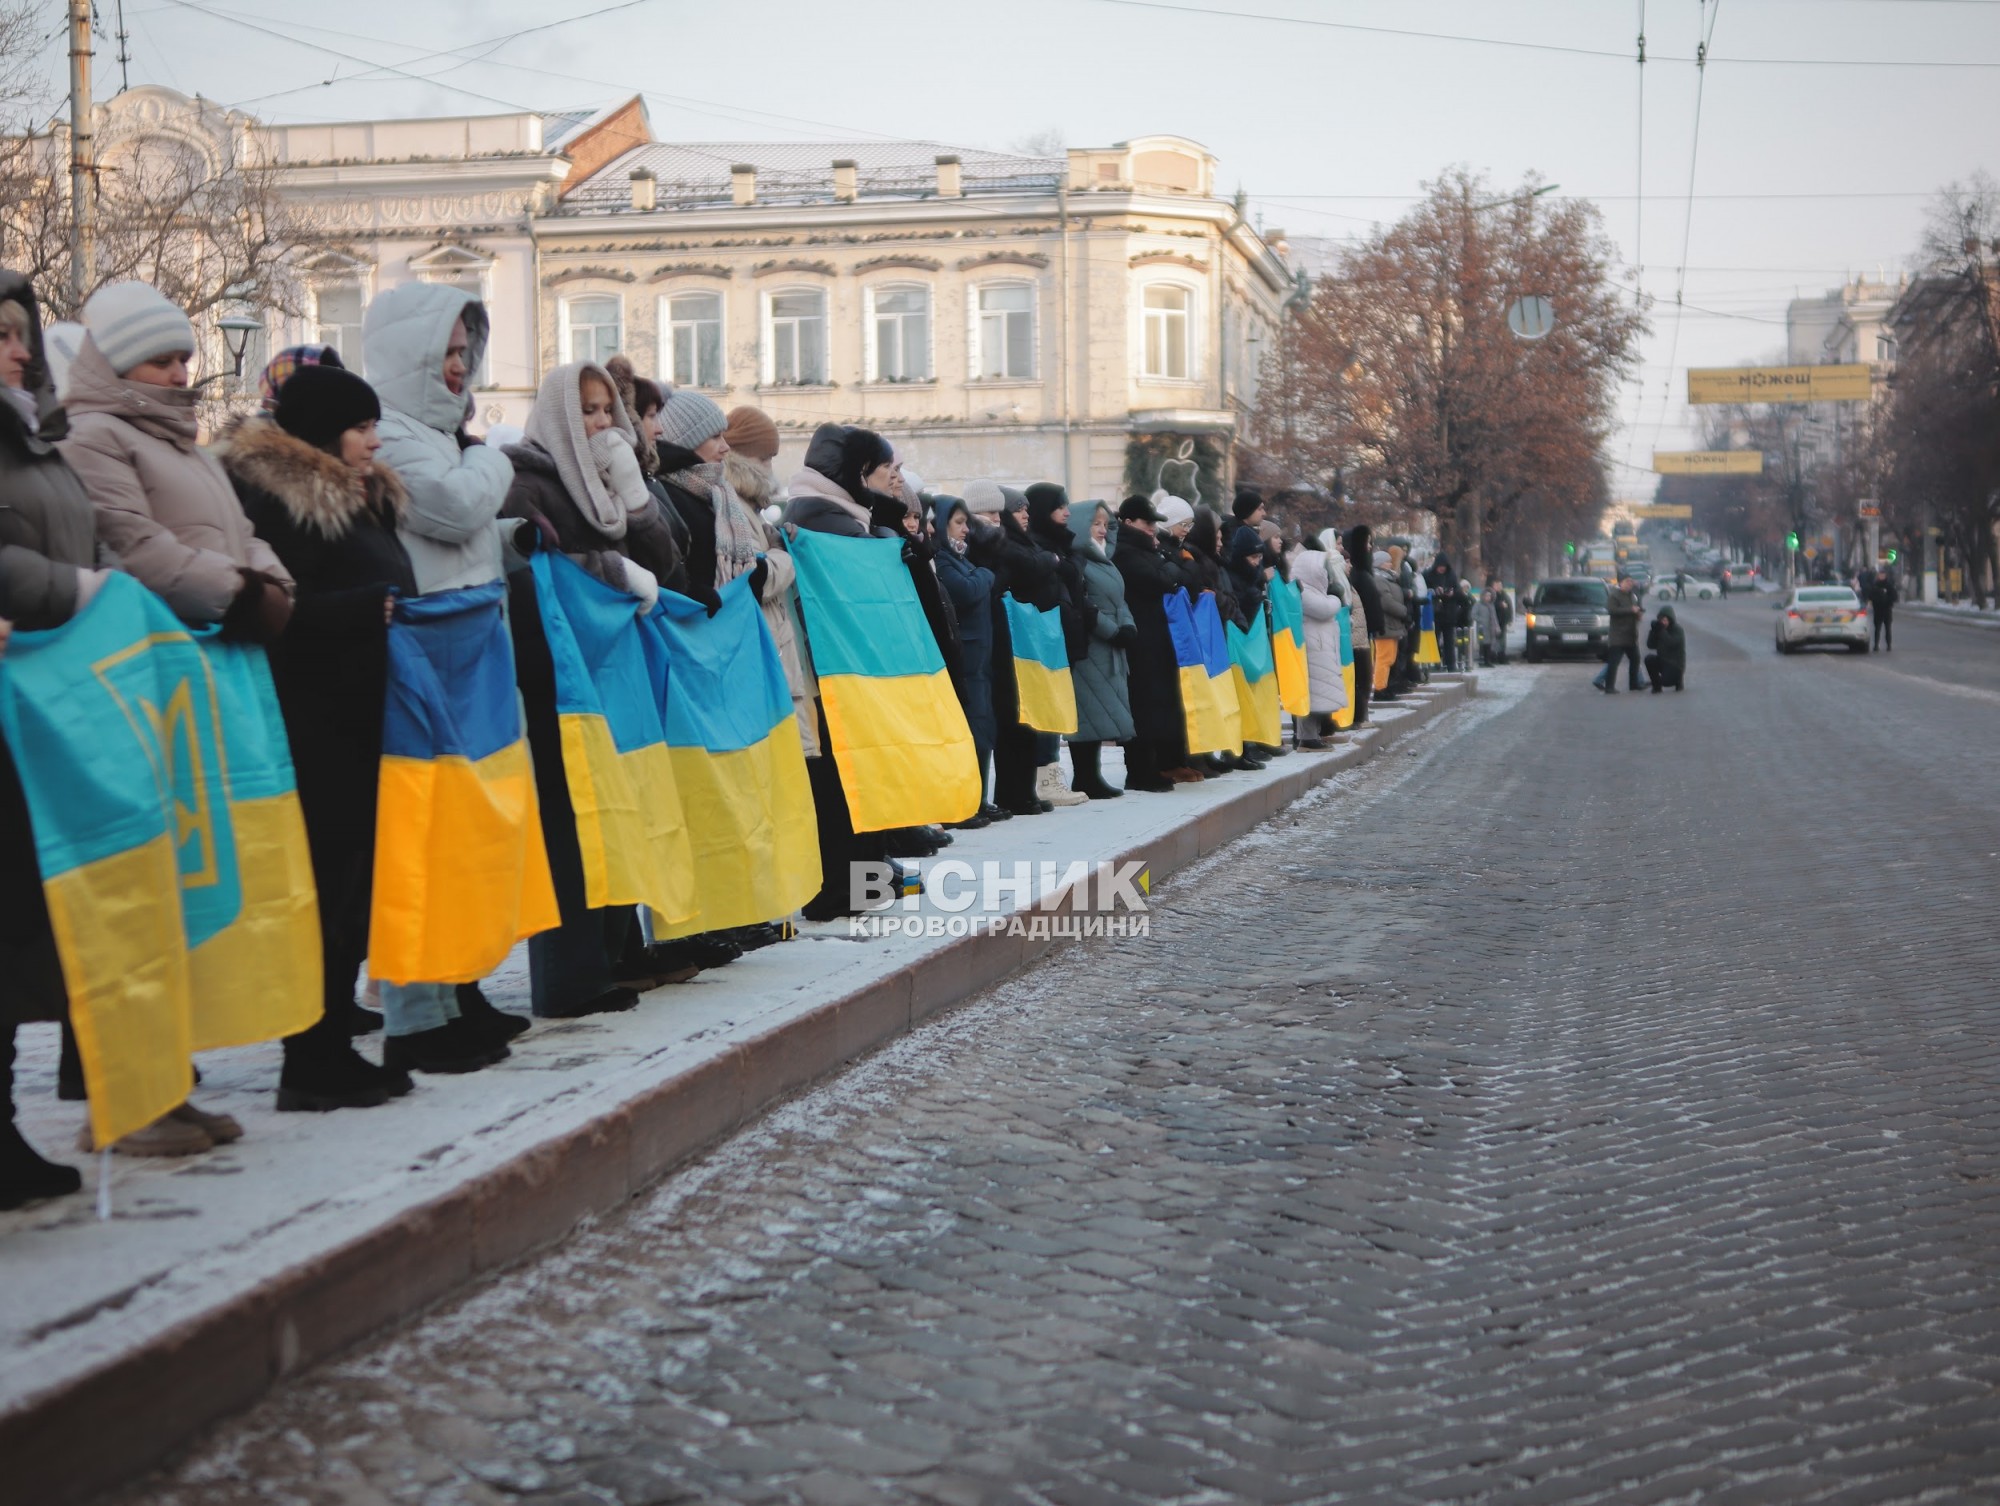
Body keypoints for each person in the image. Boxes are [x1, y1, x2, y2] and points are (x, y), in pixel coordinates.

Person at [225, 364, 511, 1096]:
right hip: (314, 719)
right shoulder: (280, 500)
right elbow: (274, 610)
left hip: (368, 711)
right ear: (323, 432)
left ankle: (332, 1047)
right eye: (360, 428)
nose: (374, 441)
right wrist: (362, 612)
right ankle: (310, 1056)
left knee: (358, 886)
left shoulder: (361, 497)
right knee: (326, 885)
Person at [62, 281, 293, 1144]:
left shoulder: (183, 442)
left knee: (195, 881)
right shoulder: (96, 438)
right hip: (153, 678)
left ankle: (168, 1080)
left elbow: (241, 530)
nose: (181, 371)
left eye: (185, 356)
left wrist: (269, 583)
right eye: (163, 358)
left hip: (211, 673)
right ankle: (128, 1100)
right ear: (118, 363)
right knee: (148, 884)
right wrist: (237, 596)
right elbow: (132, 542)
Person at [363, 279, 532, 1053]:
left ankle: (460, 988)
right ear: (412, 353)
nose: (461, 367)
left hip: (470, 654)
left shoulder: (441, 440)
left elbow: (461, 534)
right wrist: (491, 463)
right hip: (429, 660)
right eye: (448, 352)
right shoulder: (392, 436)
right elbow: (454, 508)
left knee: (467, 835)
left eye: (468, 351)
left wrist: (511, 540)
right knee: (423, 839)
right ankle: (416, 1018)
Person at [502, 361, 700, 1014]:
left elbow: (667, 559)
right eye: (587, 410)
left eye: (606, 411)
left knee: (620, 806)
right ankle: (569, 975)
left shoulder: (611, 478)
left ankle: (612, 954)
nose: (599, 423)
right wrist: (610, 570)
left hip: (613, 671)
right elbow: (530, 567)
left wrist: (634, 497)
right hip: (554, 674)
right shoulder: (524, 476)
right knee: (571, 816)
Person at [0, 271, 111, 1204]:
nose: (20, 348)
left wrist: (97, 583)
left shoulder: (38, 440)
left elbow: (89, 537)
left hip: (40, 700)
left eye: (22, 333)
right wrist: (67, 591)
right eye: (1, 334)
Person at [784, 423, 917, 916]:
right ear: (860, 473)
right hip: (833, 676)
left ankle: (864, 879)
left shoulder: (841, 513)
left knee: (856, 779)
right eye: (888, 470)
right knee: (839, 786)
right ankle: (840, 890)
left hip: (844, 671)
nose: (895, 480)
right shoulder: (825, 517)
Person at [1109, 495, 1182, 792]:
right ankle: (1139, 771)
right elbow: (1162, 578)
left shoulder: (1145, 549)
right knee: (1142, 704)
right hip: (1139, 639)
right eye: (1147, 522)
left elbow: (1175, 572)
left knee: (1156, 704)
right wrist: (1168, 566)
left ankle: (1151, 766)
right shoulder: (1126, 551)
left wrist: (1167, 566)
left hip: (1154, 636)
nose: (1153, 528)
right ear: (1128, 522)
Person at [932, 494, 996, 821]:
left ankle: (980, 799)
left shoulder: (963, 559)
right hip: (963, 660)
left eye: (966, 523)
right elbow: (967, 591)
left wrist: (980, 575)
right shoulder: (942, 559)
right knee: (969, 729)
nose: (966, 530)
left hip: (979, 661)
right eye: (958, 523)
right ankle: (964, 805)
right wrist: (985, 575)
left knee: (983, 728)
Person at [1065, 500, 1135, 798]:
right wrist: (1113, 631)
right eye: (1096, 524)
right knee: (1089, 713)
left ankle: (1092, 775)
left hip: (1110, 647)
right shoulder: (1080, 561)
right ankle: (1085, 776)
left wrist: (1129, 626)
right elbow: (1086, 606)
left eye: (1106, 524)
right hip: (1092, 647)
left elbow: (1120, 601)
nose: (1103, 530)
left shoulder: (1105, 560)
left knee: (1099, 713)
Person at [1291, 536, 1347, 747]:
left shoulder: (1314, 589)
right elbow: (1324, 609)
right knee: (1312, 697)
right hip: (1313, 649)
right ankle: (1307, 738)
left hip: (1319, 649)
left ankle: (1311, 736)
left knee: (1318, 696)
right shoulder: (1303, 590)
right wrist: (1335, 598)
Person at [1344, 526, 1383, 725]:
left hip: (1365, 632)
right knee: (1361, 677)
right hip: (1357, 634)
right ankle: (1359, 715)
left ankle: (1362, 713)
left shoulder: (1362, 573)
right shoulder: (1356, 574)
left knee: (1366, 676)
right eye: (1367, 543)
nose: (1369, 547)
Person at [1371, 549, 1407, 702]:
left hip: (1392, 624)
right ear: (1379, 563)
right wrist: (1403, 610)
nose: (1390, 564)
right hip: (1385, 624)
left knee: (1389, 658)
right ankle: (1380, 688)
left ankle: (1384, 686)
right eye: (1387, 561)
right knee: (1383, 658)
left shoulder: (1387, 578)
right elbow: (1386, 602)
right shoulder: (1379, 580)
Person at [1602, 572, 1643, 693]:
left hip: (1630, 635)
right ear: (1621, 582)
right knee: (1614, 663)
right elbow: (1611, 610)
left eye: (1631, 581)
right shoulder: (1614, 595)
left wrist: (1638, 614)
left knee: (1635, 659)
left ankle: (1634, 684)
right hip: (1618, 636)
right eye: (1627, 581)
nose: (1630, 583)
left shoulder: (1631, 595)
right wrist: (1630, 610)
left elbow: (1634, 609)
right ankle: (1609, 687)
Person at [1645, 603, 1687, 692]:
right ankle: (1656, 687)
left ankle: (1678, 681)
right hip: (1663, 661)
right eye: (1660, 620)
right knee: (1649, 659)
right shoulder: (1660, 630)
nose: (1662, 623)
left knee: (1665, 682)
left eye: (1664, 620)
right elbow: (1650, 645)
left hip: (1676, 665)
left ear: (1670, 620)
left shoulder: (1678, 630)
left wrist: (1661, 631)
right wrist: (1653, 631)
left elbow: (1671, 643)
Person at [1869, 567, 1897, 651]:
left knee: (1887, 629)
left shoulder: (1889, 585)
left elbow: (1894, 597)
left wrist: (1887, 601)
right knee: (1877, 629)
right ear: (1878, 576)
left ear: (1885, 576)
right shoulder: (1875, 585)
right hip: (1877, 610)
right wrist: (1876, 601)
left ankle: (1889, 645)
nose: (1881, 576)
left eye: (1883, 575)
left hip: (1887, 610)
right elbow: (1871, 596)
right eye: (1880, 575)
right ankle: (1876, 645)